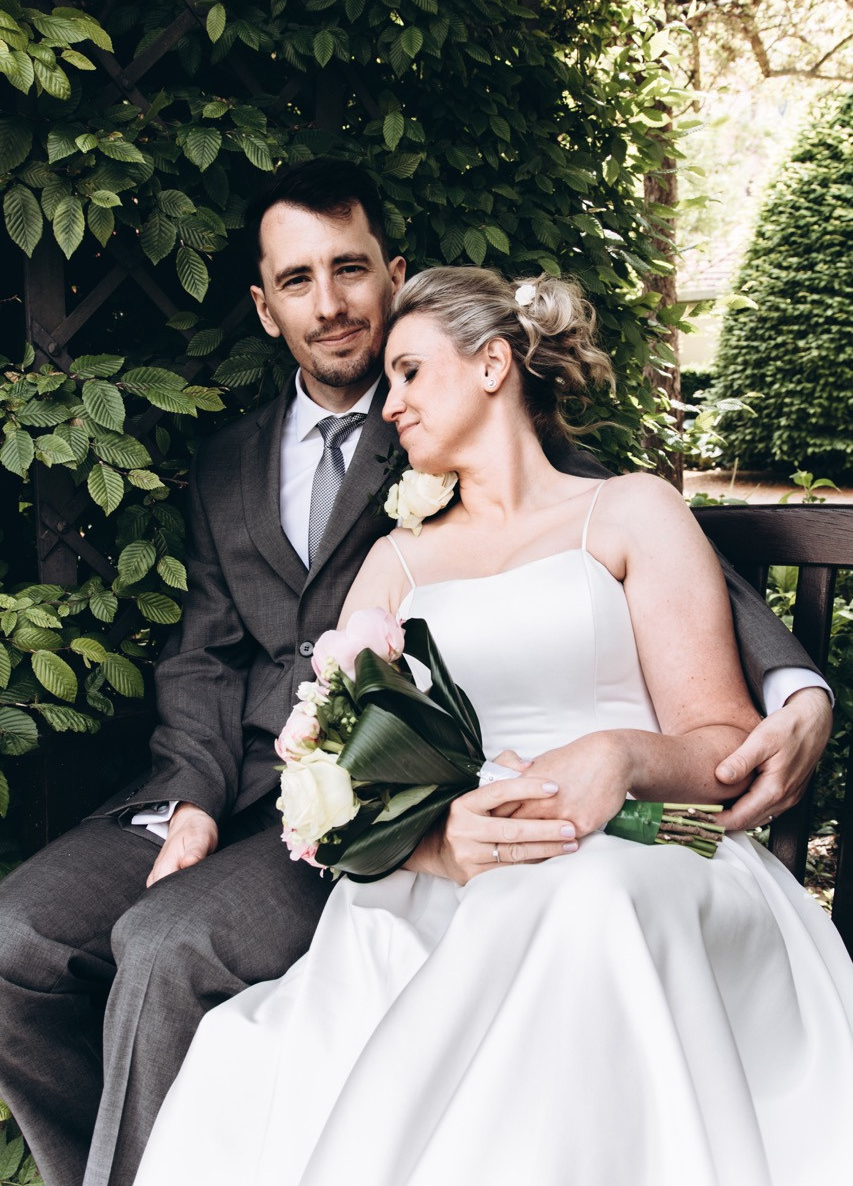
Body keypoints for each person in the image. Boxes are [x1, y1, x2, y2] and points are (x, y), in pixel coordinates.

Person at [0, 161, 831, 1186]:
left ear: (398, 283)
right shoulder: (239, 467)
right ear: (264, 306)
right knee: (13, 942)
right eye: (297, 279)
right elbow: (205, 659)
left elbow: (670, 589)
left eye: (349, 269)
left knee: (169, 949)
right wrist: (191, 799)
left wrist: (795, 689)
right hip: (313, 796)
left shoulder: (509, 454)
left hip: (427, 817)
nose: (329, 303)